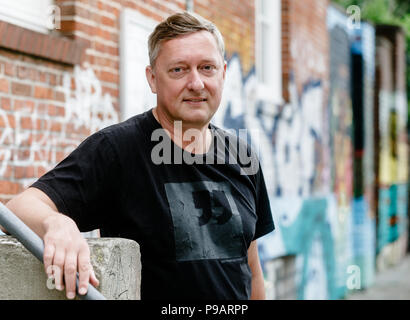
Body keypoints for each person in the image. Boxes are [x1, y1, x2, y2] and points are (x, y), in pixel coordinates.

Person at [4, 11, 274, 300]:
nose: (196, 83)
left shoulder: (242, 156)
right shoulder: (118, 149)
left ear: (222, 73)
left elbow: (251, 268)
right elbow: (20, 206)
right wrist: (56, 223)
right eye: (178, 70)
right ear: (153, 79)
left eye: (206, 68)